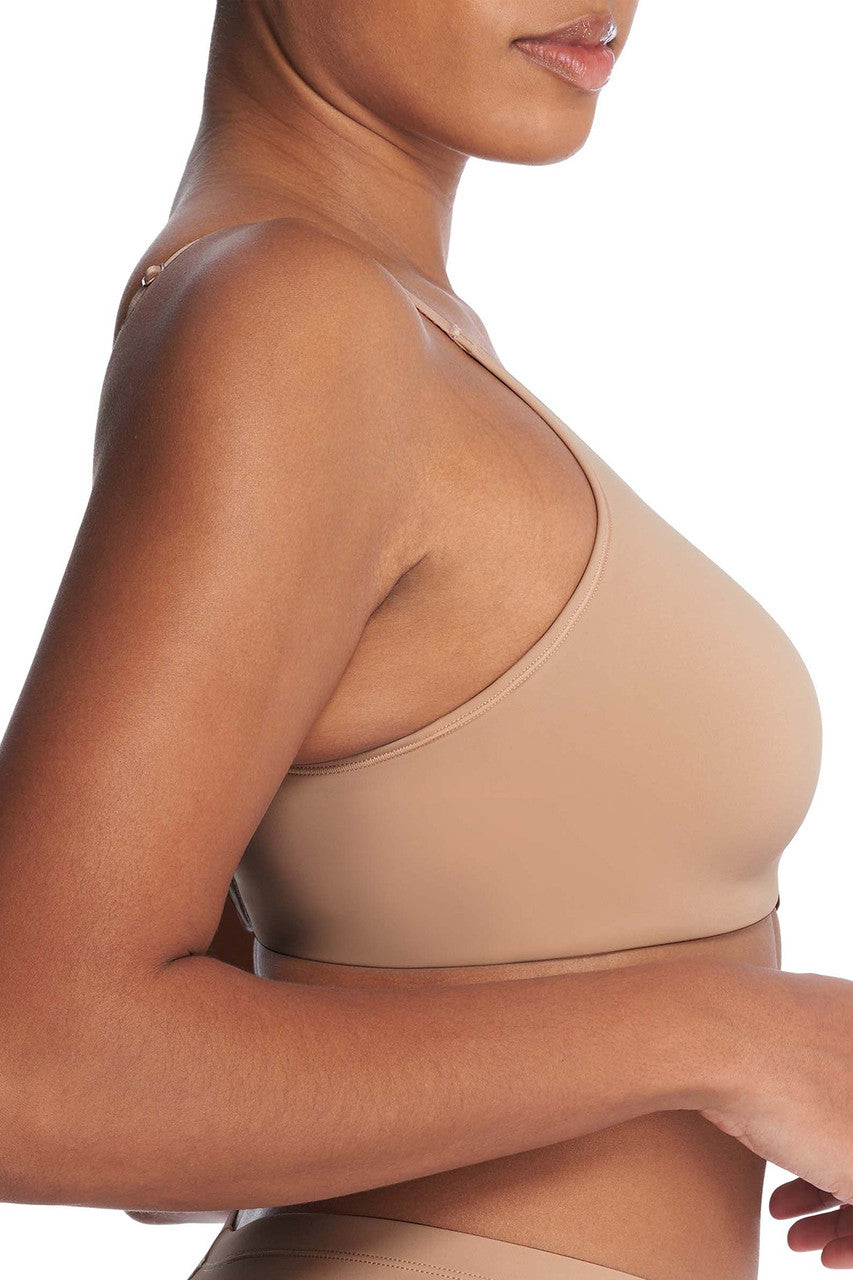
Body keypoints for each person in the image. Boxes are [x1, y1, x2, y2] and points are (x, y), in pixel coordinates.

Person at [0, 2, 851, 1277]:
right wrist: (735, 1039)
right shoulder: (292, 317)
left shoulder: (373, 329)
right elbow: (34, 1075)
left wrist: (779, 1071)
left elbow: (163, 1148)